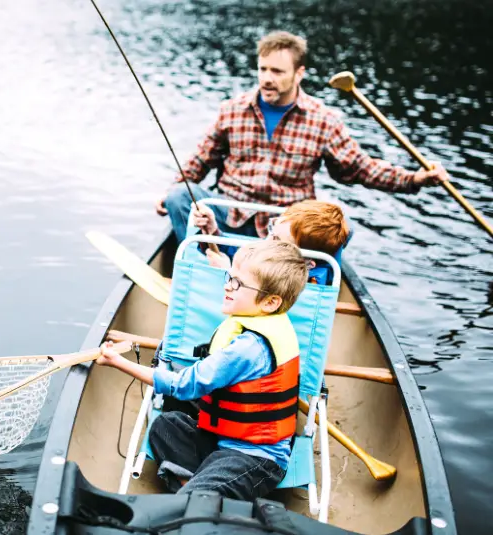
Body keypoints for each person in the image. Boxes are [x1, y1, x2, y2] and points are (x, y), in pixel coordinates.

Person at [155, 30, 449, 243]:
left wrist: (415, 179)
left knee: (344, 228)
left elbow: (360, 168)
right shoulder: (232, 110)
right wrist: (170, 190)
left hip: (284, 229)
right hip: (229, 215)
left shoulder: (323, 119)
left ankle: (292, 279)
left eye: (277, 71)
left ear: (299, 74)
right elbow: (200, 159)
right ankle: (204, 261)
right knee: (180, 196)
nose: (267, 78)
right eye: (263, 69)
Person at [97, 240, 308, 500]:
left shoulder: (248, 347)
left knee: (199, 496)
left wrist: (118, 361)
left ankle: (195, 494)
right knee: (166, 424)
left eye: (237, 284)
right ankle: (194, 487)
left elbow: (184, 386)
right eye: (230, 277)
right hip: (221, 442)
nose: (227, 286)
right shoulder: (267, 320)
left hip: (256, 459)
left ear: (270, 302)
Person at [193, 199, 350, 284]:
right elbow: (250, 253)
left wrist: (227, 273)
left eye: (276, 239)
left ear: (307, 263)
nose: (268, 240)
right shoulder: (277, 256)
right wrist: (214, 232)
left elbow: (256, 303)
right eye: (272, 228)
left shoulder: (298, 288)